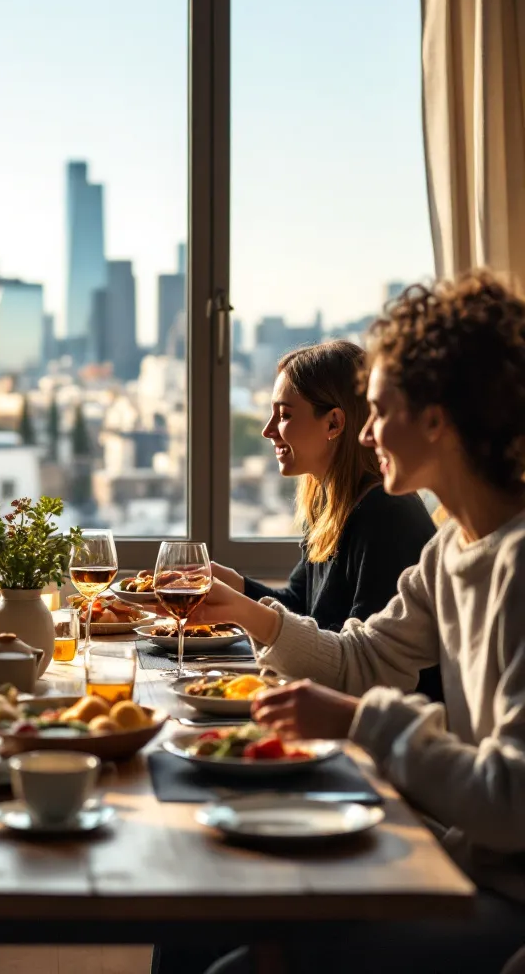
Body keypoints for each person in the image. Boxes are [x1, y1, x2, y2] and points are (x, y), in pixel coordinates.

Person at [157, 270, 525, 974]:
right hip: (463, 860)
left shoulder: (518, 565)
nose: (367, 430)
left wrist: (360, 723)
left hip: (504, 898)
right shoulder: (453, 549)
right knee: (193, 918)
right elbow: (362, 658)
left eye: (379, 411)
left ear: (437, 420)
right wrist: (264, 624)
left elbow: (511, 802)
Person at [211, 341, 440, 697]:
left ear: (333, 422)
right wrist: (236, 585)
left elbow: (362, 667)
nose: (268, 430)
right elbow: (303, 608)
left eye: (284, 415)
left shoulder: (386, 515)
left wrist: (242, 608)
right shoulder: (327, 501)